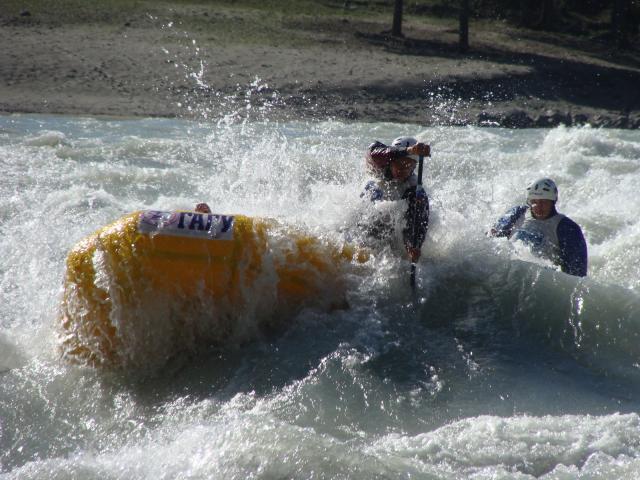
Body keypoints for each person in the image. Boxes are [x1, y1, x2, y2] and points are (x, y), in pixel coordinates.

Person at [490, 177, 588, 277]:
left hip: (541, 279)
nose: (538, 207)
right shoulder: (517, 214)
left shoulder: (567, 228)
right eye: (534, 201)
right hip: (509, 273)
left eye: (544, 202)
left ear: (553, 202)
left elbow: (576, 274)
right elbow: (491, 242)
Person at [360, 136, 431, 263]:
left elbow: (420, 218)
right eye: (399, 163)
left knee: (417, 200)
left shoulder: (413, 185)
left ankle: (406, 245)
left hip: (398, 197)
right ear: (391, 160)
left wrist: (414, 246)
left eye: (408, 165)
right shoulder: (379, 157)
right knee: (373, 189)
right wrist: (410, 150)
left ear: (414, 166)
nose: (402, 169)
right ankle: (365, 239)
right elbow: (378, 153)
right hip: (374, 193)